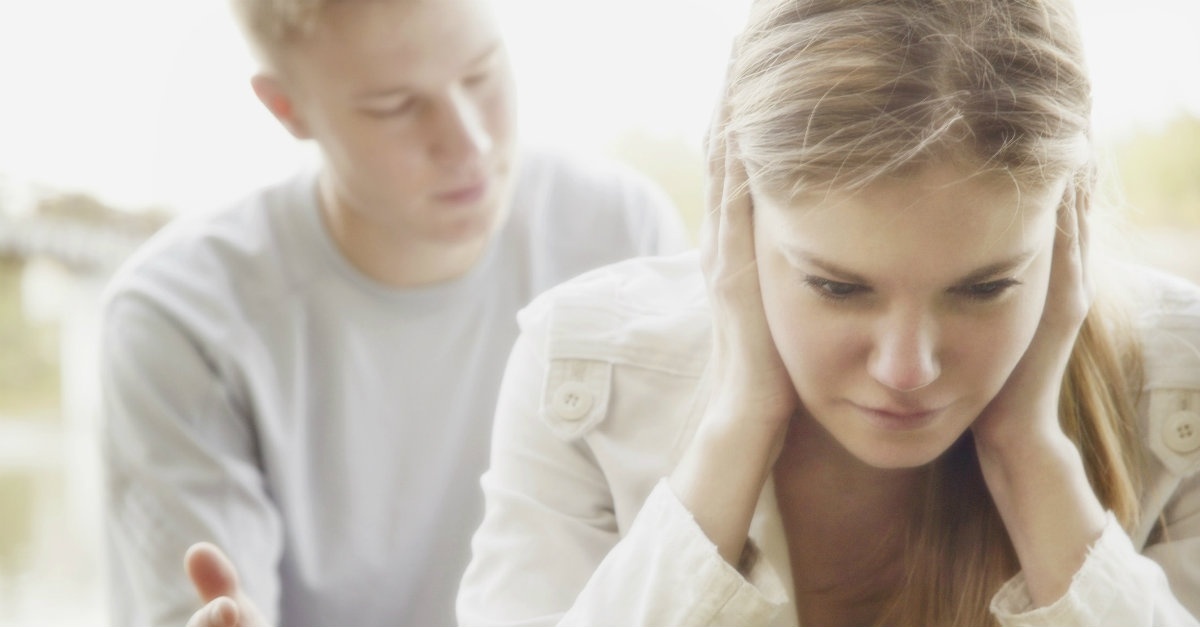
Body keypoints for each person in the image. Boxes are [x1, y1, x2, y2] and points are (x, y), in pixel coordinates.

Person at [454, 0, 1200, 625]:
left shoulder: (1179, 381)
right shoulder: (583, 372)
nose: (907, 369)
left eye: (985, 287)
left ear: (1068, 220)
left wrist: (1031, 453)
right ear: (734, 209)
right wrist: (739, 422)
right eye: (838, 288)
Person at [98, 0, 687, 624]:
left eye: (481, 74)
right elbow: (212, 603)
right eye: (396, 106)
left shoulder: (622, 235)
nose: (469, 142)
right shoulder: (178, 320)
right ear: (287, 109)